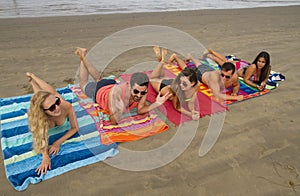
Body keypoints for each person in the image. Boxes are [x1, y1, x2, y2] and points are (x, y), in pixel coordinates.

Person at [75, 47, 171, 125]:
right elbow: (113, 121)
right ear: (129, 86)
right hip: (100, 91)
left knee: (100, 79)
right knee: (83, 84)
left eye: (142, 92)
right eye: (136, 92)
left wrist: (156, 104)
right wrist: (120, 109)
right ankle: (83, 56)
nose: (139, 95)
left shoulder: (142, 91)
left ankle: (84, 56)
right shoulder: (115, 95)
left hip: (111, 83)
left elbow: (140, 109)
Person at [26, 72, 79, 175]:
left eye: (57, 102)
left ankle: (33, 76)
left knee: (53, 93)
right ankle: (32, 82)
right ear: (43, 112)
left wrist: (57, 142)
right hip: (42, 111)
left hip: (54, 100)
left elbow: (75, 128)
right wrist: (45, 156)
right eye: (52, 108)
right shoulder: (39, 119)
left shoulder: (66, 106)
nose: (57, 107)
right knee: (38, 94)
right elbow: (40, 138)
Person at [167, 52, 244, 102]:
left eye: (227, 77)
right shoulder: (215, 78)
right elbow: (217, 94)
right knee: (186, 69)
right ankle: (176, 57)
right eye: (222, 75)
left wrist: (235, 92)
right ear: (220, 71)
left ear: (233, 74)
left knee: (199, 65)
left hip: (208, 71)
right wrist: (236, 98)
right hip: (201, 75)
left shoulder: (235, 77)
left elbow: (236, 85)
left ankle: (191, 56)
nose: (223, 78)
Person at [151, 46, 200, 120]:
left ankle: (161, 60)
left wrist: (193, 110)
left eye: (184, 83)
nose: (181, 85)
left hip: (171, 82)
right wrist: (190, 114)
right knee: (153, 79)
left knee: (161, 76)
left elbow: (191, 102)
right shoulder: (178, 88)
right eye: (180, 81)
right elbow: (177, 106)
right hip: (164, 86)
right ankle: (162, 62)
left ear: (193, 83)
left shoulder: (197, 86)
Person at [205, 49, 271, 91]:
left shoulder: (268, 68)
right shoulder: (253, 67)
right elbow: (246, 79)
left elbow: (266, 78)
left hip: (244, 67)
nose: (260, 64)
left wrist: (263, 82)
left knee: (225, 61)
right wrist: (256, 86)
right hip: (238, 67)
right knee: (223, 63)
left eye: (263, 62)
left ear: (266, 63)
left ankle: (212, 53)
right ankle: (211, 54)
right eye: (259, 61)